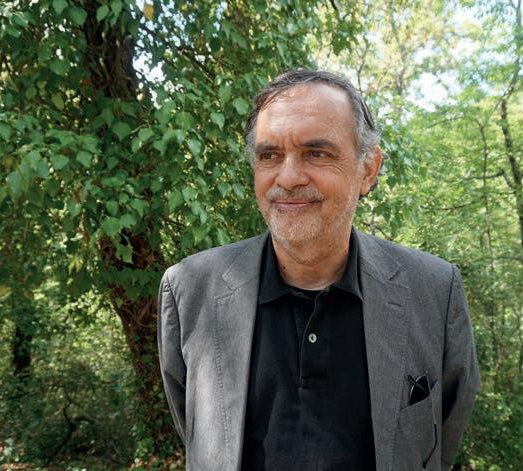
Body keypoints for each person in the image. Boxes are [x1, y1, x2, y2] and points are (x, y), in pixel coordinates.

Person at [157, 70, 479, 471]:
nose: (288, 177)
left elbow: (439, 440)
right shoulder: (190, 290)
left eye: (317, 153)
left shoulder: (433, 291)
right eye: (269, 156)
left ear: (368, 169)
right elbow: (200, 438)